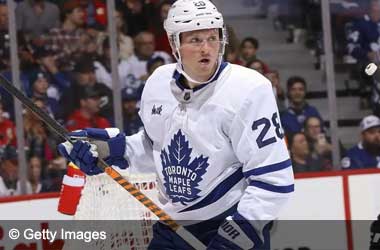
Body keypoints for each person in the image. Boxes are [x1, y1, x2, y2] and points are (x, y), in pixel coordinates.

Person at [58, 0, 294, 249]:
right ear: (174, 44)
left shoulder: (248, 89)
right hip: (173, 229)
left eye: (213, 38)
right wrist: (115, 150)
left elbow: (274, 180)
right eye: (195, 40)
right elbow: (157, 149)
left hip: (231, 223)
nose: (207, 48)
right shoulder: (158, 83)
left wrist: (235, 237)